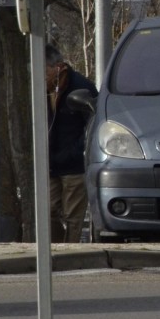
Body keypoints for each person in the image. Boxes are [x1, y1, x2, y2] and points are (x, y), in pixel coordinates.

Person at [46, 44, 98, 243]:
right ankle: (55, 250)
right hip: (49, 164)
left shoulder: (81, 87)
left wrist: (75, 152)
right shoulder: (39, 90)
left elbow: (92, 125)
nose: (40, 76)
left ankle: (71, 251)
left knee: (73, 217)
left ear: (57, 67)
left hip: (74, 165)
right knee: (49, 211)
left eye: (44, 70)